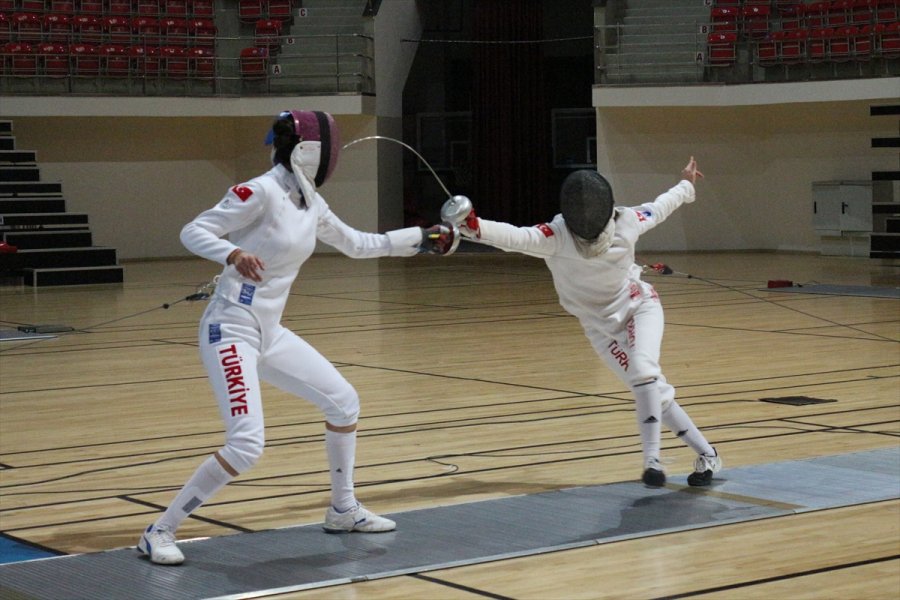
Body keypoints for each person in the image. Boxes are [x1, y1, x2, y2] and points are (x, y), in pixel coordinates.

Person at [137, 110, 454, 565]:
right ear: (311, 152)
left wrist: (421, 238)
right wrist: (233, 252)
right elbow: (194, 230)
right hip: (230, 329)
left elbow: (357, 244)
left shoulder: (310, 203)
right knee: (246, 445)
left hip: (269, 332)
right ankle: (159, 531)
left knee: (343, 402)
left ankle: (343, 509)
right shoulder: (260, 191)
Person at [443, 157, 721, 489]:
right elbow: (513, 237)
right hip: (600, 330)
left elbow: (662, 206)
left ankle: (652, 461)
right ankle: (708, 455)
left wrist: (686, 184)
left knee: (644, 372)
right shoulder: (556, 236)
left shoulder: (627, 220)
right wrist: (473, 226)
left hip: (639, 308)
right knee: (654, 392)